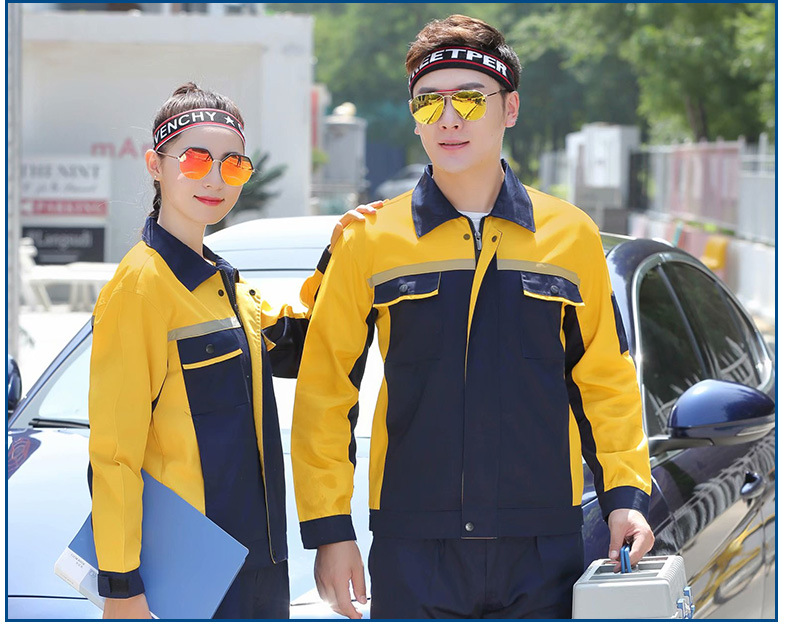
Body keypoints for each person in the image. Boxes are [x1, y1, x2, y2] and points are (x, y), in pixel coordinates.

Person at [291, 14, 655, 620]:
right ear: (414, 117)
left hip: (543, 547)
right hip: (413, 546)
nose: (449, 118)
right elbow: (325, 392)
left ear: (509, 109)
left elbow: (605, 381)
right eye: (428, 102)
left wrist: (624, 496)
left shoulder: (571, 236)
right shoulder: (368, 240)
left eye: (469, 98)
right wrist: (330, 530)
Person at [88, 82, 377, 620]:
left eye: (233, 165)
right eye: (195, 160)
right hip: (190, 574)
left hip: (258, 564)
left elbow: (303, 344)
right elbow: (114, 454)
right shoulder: (140, 287)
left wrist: (342, 252)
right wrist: (121, 586)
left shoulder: (225, 284)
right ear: (155, 165)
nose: (215, 179)